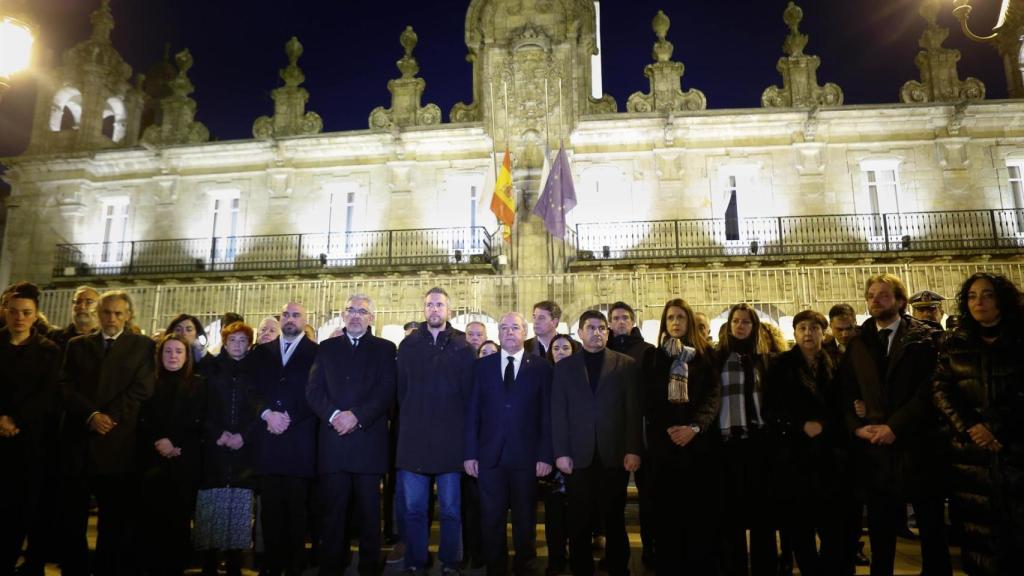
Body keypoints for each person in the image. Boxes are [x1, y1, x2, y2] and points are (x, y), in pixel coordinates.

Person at [840, 273, 951, 576]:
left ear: (900, 301)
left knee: (930, 526)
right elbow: (845, 390)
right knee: (881, 530)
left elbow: (930, 388)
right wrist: (856, 427)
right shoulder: (859, 342)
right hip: (876, 450)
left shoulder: (923, 339)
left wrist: (896, 426)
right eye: (871, 295)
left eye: (883, 294)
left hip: (917, 444)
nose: (875, 300)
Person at [933, 272, 1024, 576]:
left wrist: (999, 430)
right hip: (971, 456)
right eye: (972, 296)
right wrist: (971, 426)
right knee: (979, 541)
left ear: (1002, 300)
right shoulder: (954, 342)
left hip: (1014, 449)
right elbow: (941, 389)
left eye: (987, 295)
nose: (978, 302)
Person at [60, 290, 155, 576]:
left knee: (114, 520)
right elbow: (65, 385)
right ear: (98, 314)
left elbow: (142, 387)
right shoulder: (77, 345)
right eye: (106, 312)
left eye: (118, 313)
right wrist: (90, 415)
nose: (111, 318)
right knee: (71, 518)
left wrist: (110, 416)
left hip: (119, 445)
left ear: (128, 316)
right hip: (80, 443)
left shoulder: (143, 346)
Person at [307, 294, 397, 576]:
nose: (356, 315)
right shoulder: (326, 348)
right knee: (333, 514)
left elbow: (386, 391)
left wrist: (357, 416)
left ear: (371, 317)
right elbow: (314, 391)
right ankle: (332, 566)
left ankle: (370, 567)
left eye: (362, 311)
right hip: (334, 444)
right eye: (351, 311)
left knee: (370, 514)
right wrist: (335, 416)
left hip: (368, 444)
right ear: (342, 316)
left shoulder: (385, 349)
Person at [551, 310, 641, 576]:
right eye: (590, 328)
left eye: (602, 328)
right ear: (580, 333)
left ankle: (618, 567)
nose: (597, 332)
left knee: (614, 518)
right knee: (579, 520)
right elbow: (559, 412)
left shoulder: (625, 364)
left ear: (608, 332)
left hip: (614, 455)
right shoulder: (565, 367)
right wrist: (561, 453)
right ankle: (581, 569)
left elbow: (633, 411)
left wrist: (633, 449)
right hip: (578, 456)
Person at [464, 312, 553, 575]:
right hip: (489, 457)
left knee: (525, 519)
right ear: (498, 333)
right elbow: (472, 413)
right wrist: (469, 453)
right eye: (504, 327)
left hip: (527, 458)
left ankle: (525, 565)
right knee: (491, 519)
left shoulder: (541, 367)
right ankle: (496, 567)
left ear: (525, 332)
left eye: (515, 327)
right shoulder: (482, 366)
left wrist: (546, 455)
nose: (509, 332)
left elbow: (547, 415)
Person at [395, 287, 476, 575]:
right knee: (414, 510)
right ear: (423, 309)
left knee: (452, 511)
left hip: (450, 442)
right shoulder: (409, 345)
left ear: (449, 310)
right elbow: (401, 391)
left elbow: (469, 396)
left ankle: (450, 561)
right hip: (414, 440)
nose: (434, 309)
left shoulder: (463, 346)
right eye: (429, 305)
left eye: (439, 305)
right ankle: (416, 560)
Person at [764, 310, 843, 576]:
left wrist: (825, 424)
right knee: (800, 525)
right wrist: (799, 424)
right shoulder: (781, 365)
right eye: (801, 328)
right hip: (795, 455)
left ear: (823, 332)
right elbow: (770, 407)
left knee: (832, 525)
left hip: (829, 454)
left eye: (813, 328)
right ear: (794, 333)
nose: (808, 333)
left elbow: (843, 404)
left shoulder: (837, 363)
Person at [647, 298, 720, 574]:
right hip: (665, 448)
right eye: (670, 318)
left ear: (689, 321)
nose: (675, 323)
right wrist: (671, 429)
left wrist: (694, 428)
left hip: (699, 447)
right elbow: (650, 400)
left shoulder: (706, 356)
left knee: (699, 517)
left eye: (680, 317)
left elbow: (713, 397)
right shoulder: (655, 357)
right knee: (667, 518)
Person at [250, 302, 319, 576]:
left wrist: (288, 416)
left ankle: (295, 565)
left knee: (297, 508)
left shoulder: (317, 353)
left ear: (305, 320)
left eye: (296, 315)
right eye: (286, 315)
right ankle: (272, 564)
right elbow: (251, 389)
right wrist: (267, 414)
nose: (290, 319)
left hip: (299, 439)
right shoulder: (261, 352)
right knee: (270, 509)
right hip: (268, 439)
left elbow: (317, 392)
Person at [0, 282, 61, 576]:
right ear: (5, 313)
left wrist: (16, 420)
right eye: (14, 312)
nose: (19, 318)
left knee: (26, 506)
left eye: (26, 312)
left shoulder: (49, 350)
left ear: (36, 316)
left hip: (32, 440)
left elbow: (47, 393)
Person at [136, 334, 207, 576]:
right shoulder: (149, 382)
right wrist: (161, 440)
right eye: (168, 351)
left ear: (187, 356)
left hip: (184, 462)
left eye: (179, 351)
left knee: (179, 521)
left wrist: (176, 443)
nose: (173, 356)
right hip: (153, 461)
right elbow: (143, 417)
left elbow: (199, 419)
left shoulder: (198, 384)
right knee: (152, 520)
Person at [716, 303, 776, 576]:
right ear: (729, 326)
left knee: (763, 515)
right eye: (736, 321)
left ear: (754, 326)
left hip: (759, 442)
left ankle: (765, 567)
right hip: (729, 442)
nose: (740, 326)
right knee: (732, 516)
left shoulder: (765, 359)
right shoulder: (718, 358)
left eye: (746, 322)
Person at [195, 321, 258, 576]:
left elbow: (257, 408)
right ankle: (209, 563)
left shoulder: (255, 370)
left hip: (243, 450)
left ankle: (234, 563)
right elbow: (201, 405)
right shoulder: (210, 367)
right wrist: (216, 433)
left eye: (243, 341)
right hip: (214, 447)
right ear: (224, 341)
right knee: (212, 505)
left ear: (249, 344)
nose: (237, 345)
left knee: (238, 507)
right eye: (233, 340)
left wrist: (244, 435)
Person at [606, 301, 657, 567]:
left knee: (649, 498)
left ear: (633, 321)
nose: (621, 322)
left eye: (625, 317)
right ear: (610, 323)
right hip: (613, 433)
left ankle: (651, 549)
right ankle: (616, 555)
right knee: (614, 500)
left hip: (644, 432)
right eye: (615, 318)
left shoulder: (648, 351)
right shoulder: (604, 350)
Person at [541, 334, 578, 576]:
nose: (561, 351)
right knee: (553, 513)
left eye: (566, 347)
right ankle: (556, 558)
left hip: (577, 453)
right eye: (557, 348)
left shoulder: (580, 377)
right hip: (550, 452)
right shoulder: (544, 378)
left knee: (577, 511)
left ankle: (576, 556)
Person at [49, 286, 100, 352]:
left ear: (99, 307)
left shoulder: (108, 339)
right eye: (78, 302)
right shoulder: (54, 338)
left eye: (89, 302)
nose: (82, 306)